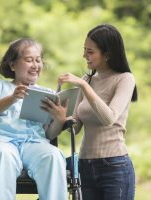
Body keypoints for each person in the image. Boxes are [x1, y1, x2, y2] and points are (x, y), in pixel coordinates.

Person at [0, 38, 68, 200]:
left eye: (38, 60)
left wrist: (59, 119)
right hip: (0, 141)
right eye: (29, 60)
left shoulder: (45, 93)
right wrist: (12, 98)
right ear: (12, 65)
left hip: (34, 144)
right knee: (2, 155)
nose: (35, 65)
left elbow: (50, 134)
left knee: (53, 155)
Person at [58, 24, 137, 200]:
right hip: (85, 165)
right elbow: (76, 127)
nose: (84, 55)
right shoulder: (88, 79)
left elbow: (109, 117)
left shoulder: (125, 79)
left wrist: (84, 86)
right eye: (84, 50)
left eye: (90, 51)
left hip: (114, 166)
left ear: (107, 54)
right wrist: (60, 116)